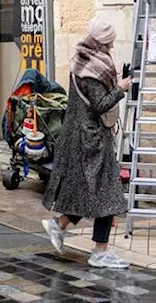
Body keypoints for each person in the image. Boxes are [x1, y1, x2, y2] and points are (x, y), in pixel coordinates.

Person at [41, 19, 131, 270]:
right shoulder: (92, 68)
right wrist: (121, 88)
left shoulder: (81, 60)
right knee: (108, 192)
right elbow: (99, 104)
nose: (112, 46)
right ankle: (100, 252)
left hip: (82, 135)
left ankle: (58, 225)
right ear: (102, 42)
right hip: (90, 138)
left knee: (91, 192)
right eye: (110, 42)